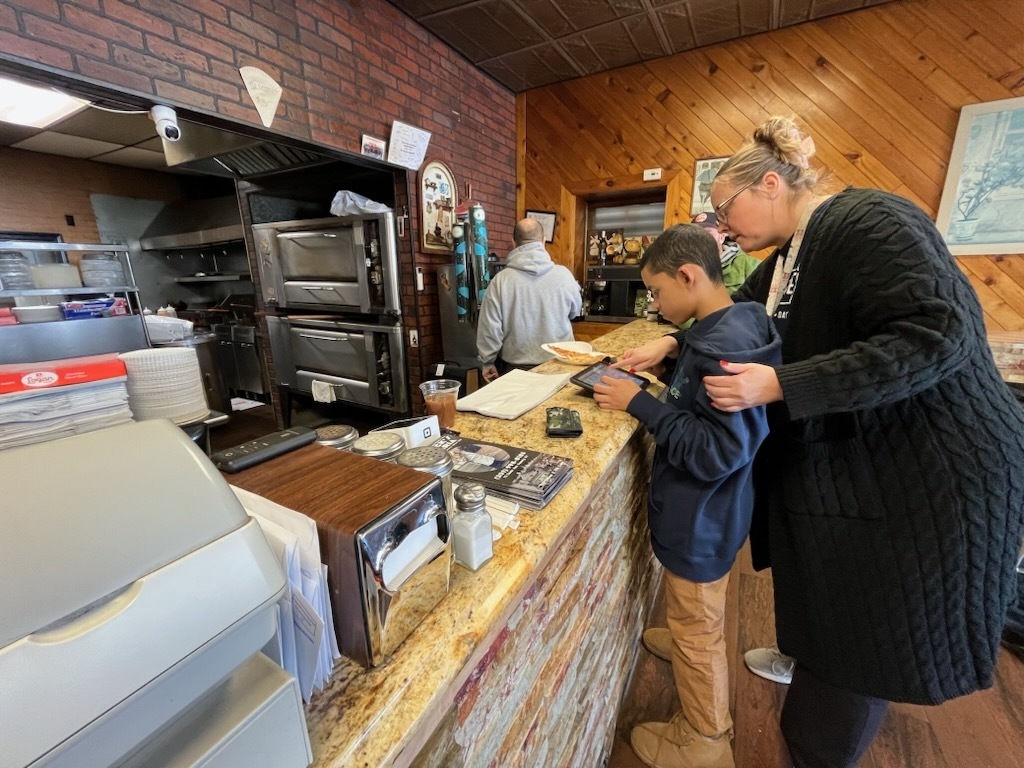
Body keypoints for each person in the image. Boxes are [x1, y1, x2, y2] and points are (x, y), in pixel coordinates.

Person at [625, 116, 1024, 767]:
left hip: (931, 471)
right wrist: (670, 341)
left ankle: (818, 739)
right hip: (865, 470)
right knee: (828, 601)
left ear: (773, 183)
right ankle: (807, 657)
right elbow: (735, 311)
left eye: (726, 209)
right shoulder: (786, 257)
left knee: (865, 638)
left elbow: (940, 333)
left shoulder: (869, 221)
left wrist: (780, 385)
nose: (724, 227)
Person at [592, 223, 782, 768]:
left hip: (700, 522)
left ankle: (705, 739)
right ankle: (686, 641)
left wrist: (639, 404)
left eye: (656, 291)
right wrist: (670, 365)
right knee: (695, 616)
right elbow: (705, 408)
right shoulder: (734, 321)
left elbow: (716, 451)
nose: (653, 303)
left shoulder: (720, 349)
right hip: (716, 516)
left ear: (688, 275)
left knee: (698, 628)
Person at [476, 217, 582, 382]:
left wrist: (487, 361)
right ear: (543, 241)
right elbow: (574, 313)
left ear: (513, 243)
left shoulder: (500, 281)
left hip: (517, 371)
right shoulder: (564, 275)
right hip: (560, 366)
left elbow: (490, 328)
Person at [691, 210, 760, 295]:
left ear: (722, 237)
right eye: (696, 235)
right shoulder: (686, 269)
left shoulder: (749, 265)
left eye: (708, 233)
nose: (701, 239)